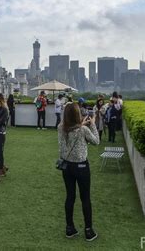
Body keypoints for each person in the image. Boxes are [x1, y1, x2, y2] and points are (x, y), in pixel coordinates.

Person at [58, 102, 100, 241]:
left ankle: (69, 228)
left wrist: (82, 124)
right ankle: (88, 230)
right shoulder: (83, 130)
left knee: (70, 196)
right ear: (78, 115)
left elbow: (71, 129)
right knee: (85, 198)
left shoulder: (61, 128)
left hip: (67, 167)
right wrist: (92, 123)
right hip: (81, 166)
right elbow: (96, 141)